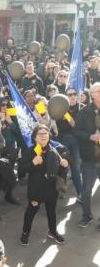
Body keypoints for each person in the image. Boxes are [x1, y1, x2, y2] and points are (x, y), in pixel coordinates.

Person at [20, 124, 68, 245]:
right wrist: (33, 163)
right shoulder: (30, 151)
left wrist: (64, 164)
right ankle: (25, 233)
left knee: (51, 211)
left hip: (52, 189)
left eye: (45, 133)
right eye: (40, 134)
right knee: (31, 212)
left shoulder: (54, 150)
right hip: (36, 189)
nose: (43, 136)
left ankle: (52, 231)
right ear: (35, 137)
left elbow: (61, 167)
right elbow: (21, 170)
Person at [75, 83, 100, 230]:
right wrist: (89, 136)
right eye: (98, 91)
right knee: (86, 190)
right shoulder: (85, 111)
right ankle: (86, 216)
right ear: (92, 94)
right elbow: (76, 131)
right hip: (89, 158)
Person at [56, 88, 82, 200]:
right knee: (63, 166)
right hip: (63, 140)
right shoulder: (60, 108)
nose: (72, 96)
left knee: (75, 168)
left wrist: (65, 114)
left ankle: (80, 193)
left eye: (74, 94)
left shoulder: (81, 108)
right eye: (69, 94)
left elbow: (74, 125)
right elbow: (56, 125)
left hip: (76, 141)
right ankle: (62, 190)